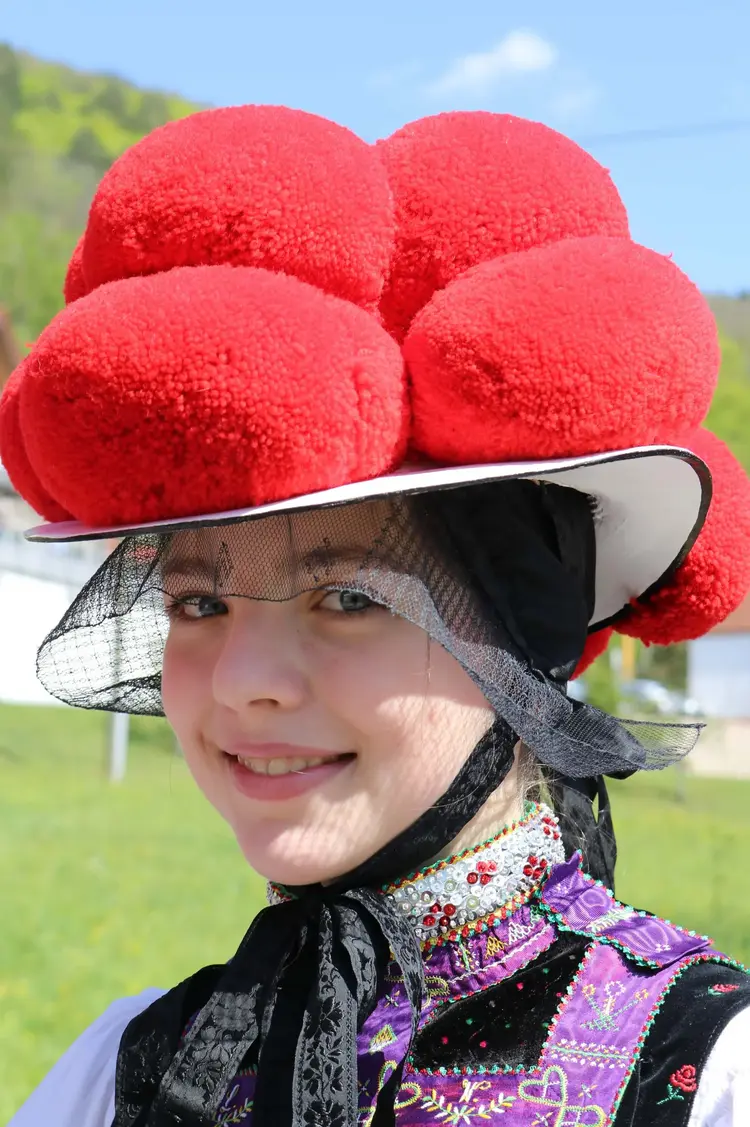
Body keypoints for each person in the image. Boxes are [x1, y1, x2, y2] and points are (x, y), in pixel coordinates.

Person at [2, 104, 749, 1127]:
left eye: (351, 596)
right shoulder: (127, 1066)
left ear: (519, 639)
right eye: (200, 601)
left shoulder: (705, 1074)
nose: (241, 679)